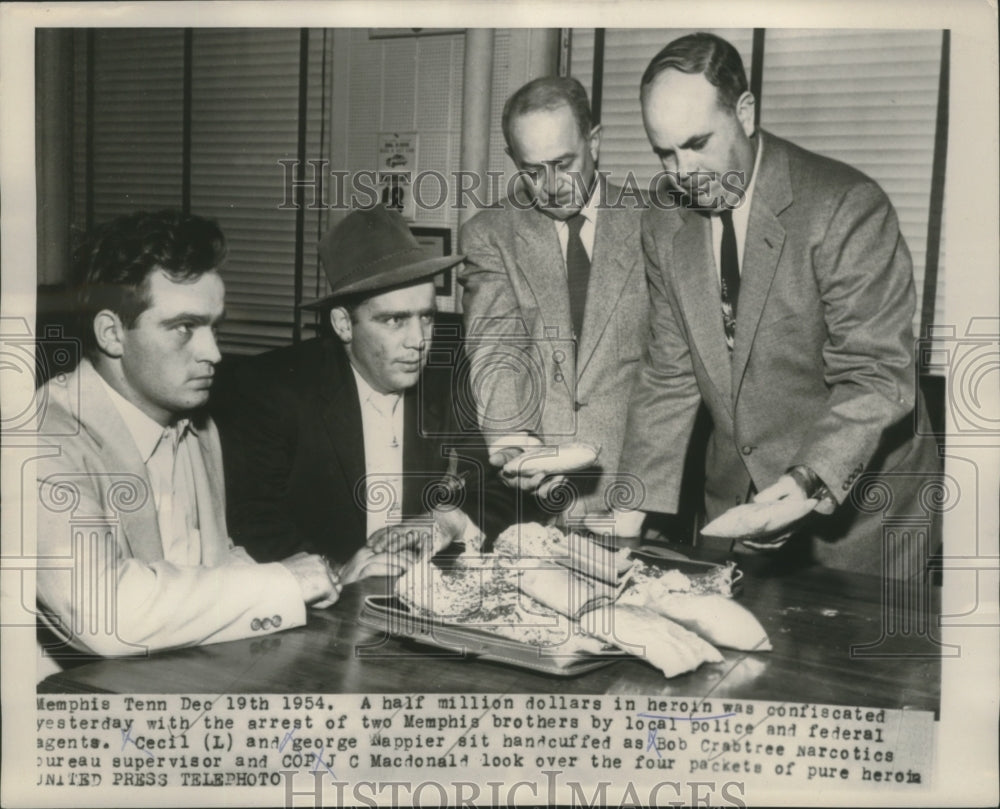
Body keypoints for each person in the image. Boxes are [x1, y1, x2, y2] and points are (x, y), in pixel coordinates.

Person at [611, 33, 940, 576]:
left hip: (861, 510)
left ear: (745, 111)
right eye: (663, 152)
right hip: (740, 504)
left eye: (697, 143)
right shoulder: (664, 221)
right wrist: (628, 511)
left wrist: (804, 482)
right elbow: (669, 374)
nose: (682, 172)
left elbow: (876, 374)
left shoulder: (845, 207)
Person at [35, 210, 341, 664]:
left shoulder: (196, 427)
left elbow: (208, 568)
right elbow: (102, 612)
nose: (214, 352)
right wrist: (284, 583)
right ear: (111, 333)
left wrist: (328, 576)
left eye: (214, 326)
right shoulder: (41, 443)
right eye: (184, 328)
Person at [214, 206, 519, 579]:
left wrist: (450, 521)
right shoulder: (269, 389)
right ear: (344, 324)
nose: (418, 341)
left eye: (426, 316)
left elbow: (504, 489)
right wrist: (336, 572)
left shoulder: (454, 373)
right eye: (394, 320)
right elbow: (251, 521)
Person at [459, 76, 649, 515]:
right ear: (512, 159)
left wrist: (653, 494)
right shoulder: (491, 235)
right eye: (531, 170)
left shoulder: (656, 224)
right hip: (539, 496)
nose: (550, 184)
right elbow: (497, 342)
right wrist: (512, 441)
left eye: (564, 163)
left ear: (594, 141)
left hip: (642, 493)